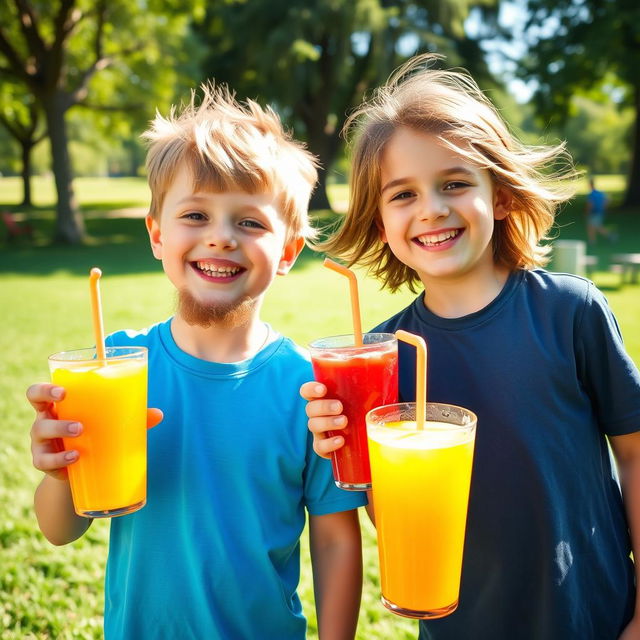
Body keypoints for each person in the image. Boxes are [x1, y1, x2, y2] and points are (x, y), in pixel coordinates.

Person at [301, 54, 640, 640]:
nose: (431, 208)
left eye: (455, 183)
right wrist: (348, 448)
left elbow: (634, 455)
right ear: (381, 223)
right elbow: (397, 518)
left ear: (502, 195)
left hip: (595, 616)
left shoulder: (571, 311)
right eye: (401, 194)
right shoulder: (383, 359)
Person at [27, 84, 366, 640]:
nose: (220, 238)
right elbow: (59, 531)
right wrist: (61, 474)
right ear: (158, 235)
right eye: (195, 215)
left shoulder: (309, 387)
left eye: (250, 223)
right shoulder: (117, 371)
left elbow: (334, 537)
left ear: (286, 252)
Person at [585, 176, 615, 244]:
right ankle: (592, 240)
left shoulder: (591, 194)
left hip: (594, 213)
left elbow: (590, 205)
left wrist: (587, 212)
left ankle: (610, 236)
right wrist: (604, 207)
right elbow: (608, 199)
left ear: (589, 185)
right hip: (600, 212)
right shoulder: (599, 193)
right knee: (592, 226)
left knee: (595, 227)